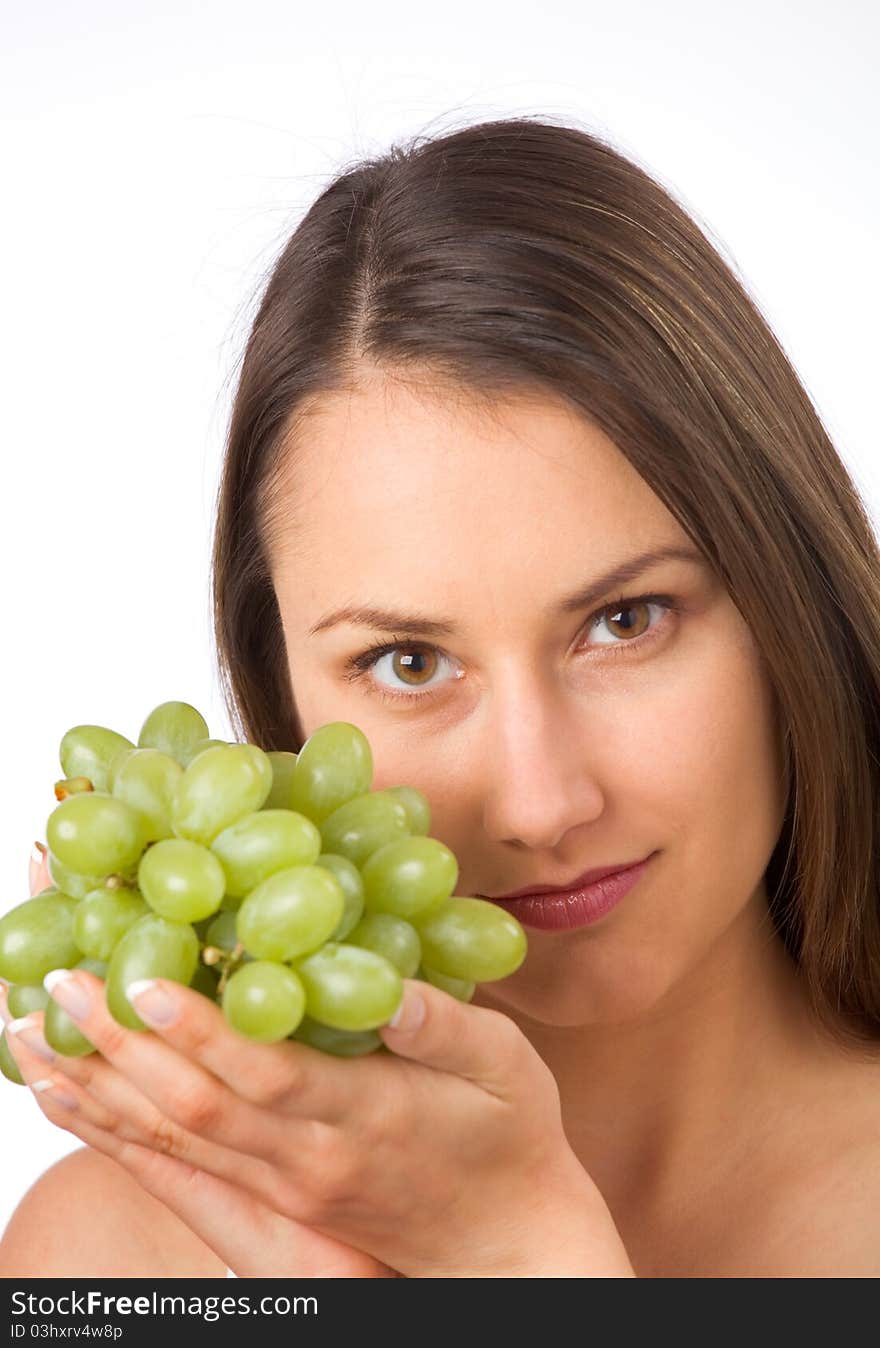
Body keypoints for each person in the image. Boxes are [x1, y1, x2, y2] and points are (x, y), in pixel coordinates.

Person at [2, 114, 879, 1278]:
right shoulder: (115, 1259)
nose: (539, 801)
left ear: (786, 598)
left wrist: (524, 1264)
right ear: (285, 698)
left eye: (626, 621)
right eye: (408, 662)